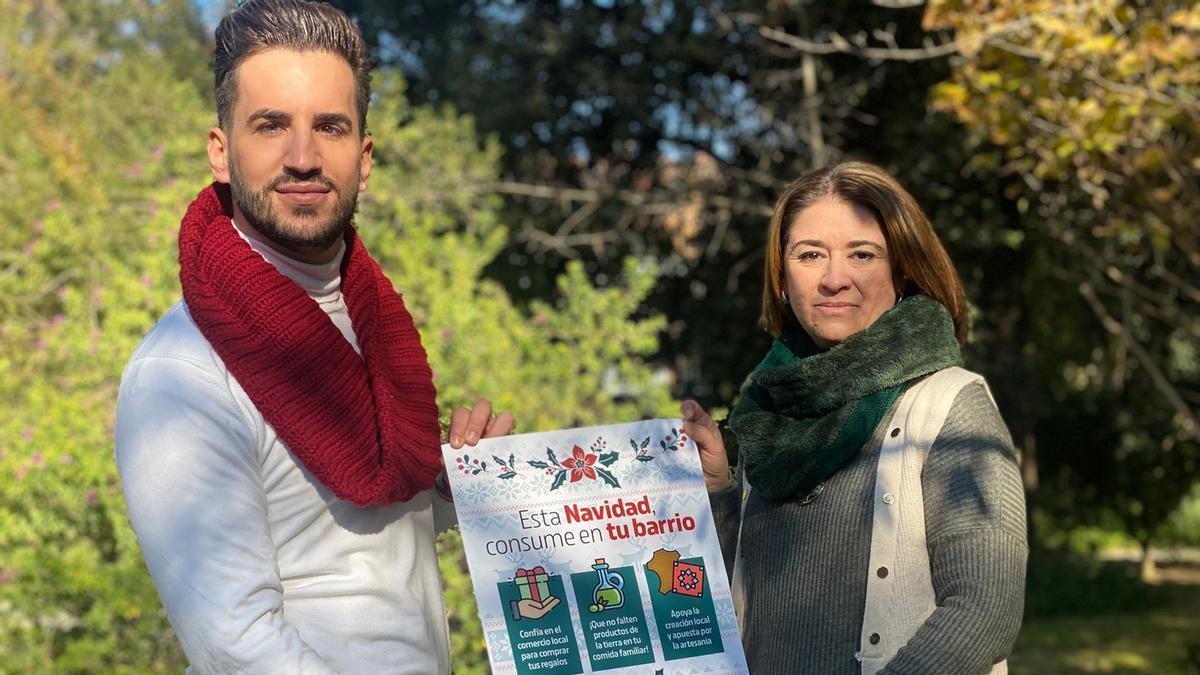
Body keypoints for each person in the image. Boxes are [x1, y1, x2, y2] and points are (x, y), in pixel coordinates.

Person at [113, 1, 510, 672]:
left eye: (329, 126)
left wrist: (446, 489)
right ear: (221, 150)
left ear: (364, 156)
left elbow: (351, 543)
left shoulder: (373, 320)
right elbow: (237, 646)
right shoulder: (180, 373)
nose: (303, 157)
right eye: (270, 126)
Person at [681, 162, 1027, 674]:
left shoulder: (949, 405)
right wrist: (718, 494)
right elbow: (729, 600)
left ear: (903, 271)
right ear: (781, 277)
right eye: (809, 255)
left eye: (861, 255)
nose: (833, 279)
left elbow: (984, 607)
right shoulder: (768, 411)